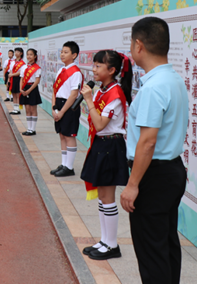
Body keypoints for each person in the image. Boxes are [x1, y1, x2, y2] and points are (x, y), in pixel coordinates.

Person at [120, 18, 188, 283]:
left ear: (139, 45)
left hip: (153, 175)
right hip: (171, 171)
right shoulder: (173, 79)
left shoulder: (154, 87)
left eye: (131, 44)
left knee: (151, 252)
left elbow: (147, 142)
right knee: (166, 243)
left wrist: (132, 184)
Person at [79, 50, 132, 261]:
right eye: (94, 65)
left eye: (98, 65)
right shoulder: (103, 90)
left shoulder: (115, 93)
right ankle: (104, 241)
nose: (93, 69)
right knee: (102, 196)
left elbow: (100, 123)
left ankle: (112, 245)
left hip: (111, 146)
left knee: (108, 198)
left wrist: (88, 100)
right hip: (102, 144)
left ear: (112, 70)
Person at [50, 41, 83, 178]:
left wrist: (62, 111)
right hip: (59, 104)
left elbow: (74, 95)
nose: (62, 54)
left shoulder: (75, 72)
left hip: (69, 106)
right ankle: (64, 164)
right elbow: (55, 90)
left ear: (74, 55)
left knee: (69, 136)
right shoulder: (61, 70)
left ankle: (69, 167)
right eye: (61, 52)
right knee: (62, 135)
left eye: (66, 52)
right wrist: (54, 108)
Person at [19, 49, 42, 136]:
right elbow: (21, 78)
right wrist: (21, 89)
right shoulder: (24, 67)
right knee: (27, 109)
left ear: (35, 56)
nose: (29, 56)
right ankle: (29, 129)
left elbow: (37, 81)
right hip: (24, 88)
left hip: (32, 88)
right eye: (28, 54)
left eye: (31, 54)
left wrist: (29, 91)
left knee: (33, 109)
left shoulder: (37, 68)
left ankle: (33, 129)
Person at [7, 48, 25, 115]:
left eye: (18, 52)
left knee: (17, 94)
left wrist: (12, 75)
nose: (16, 53)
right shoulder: (13, 62)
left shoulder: (23, 63)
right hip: (12, 79)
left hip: (18, 79)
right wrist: (9, 79)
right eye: (15, 52)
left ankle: (18, 109)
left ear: (21, 53)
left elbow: (20, 72)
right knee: (13, 94)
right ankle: (15, 109)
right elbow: (10, 71)